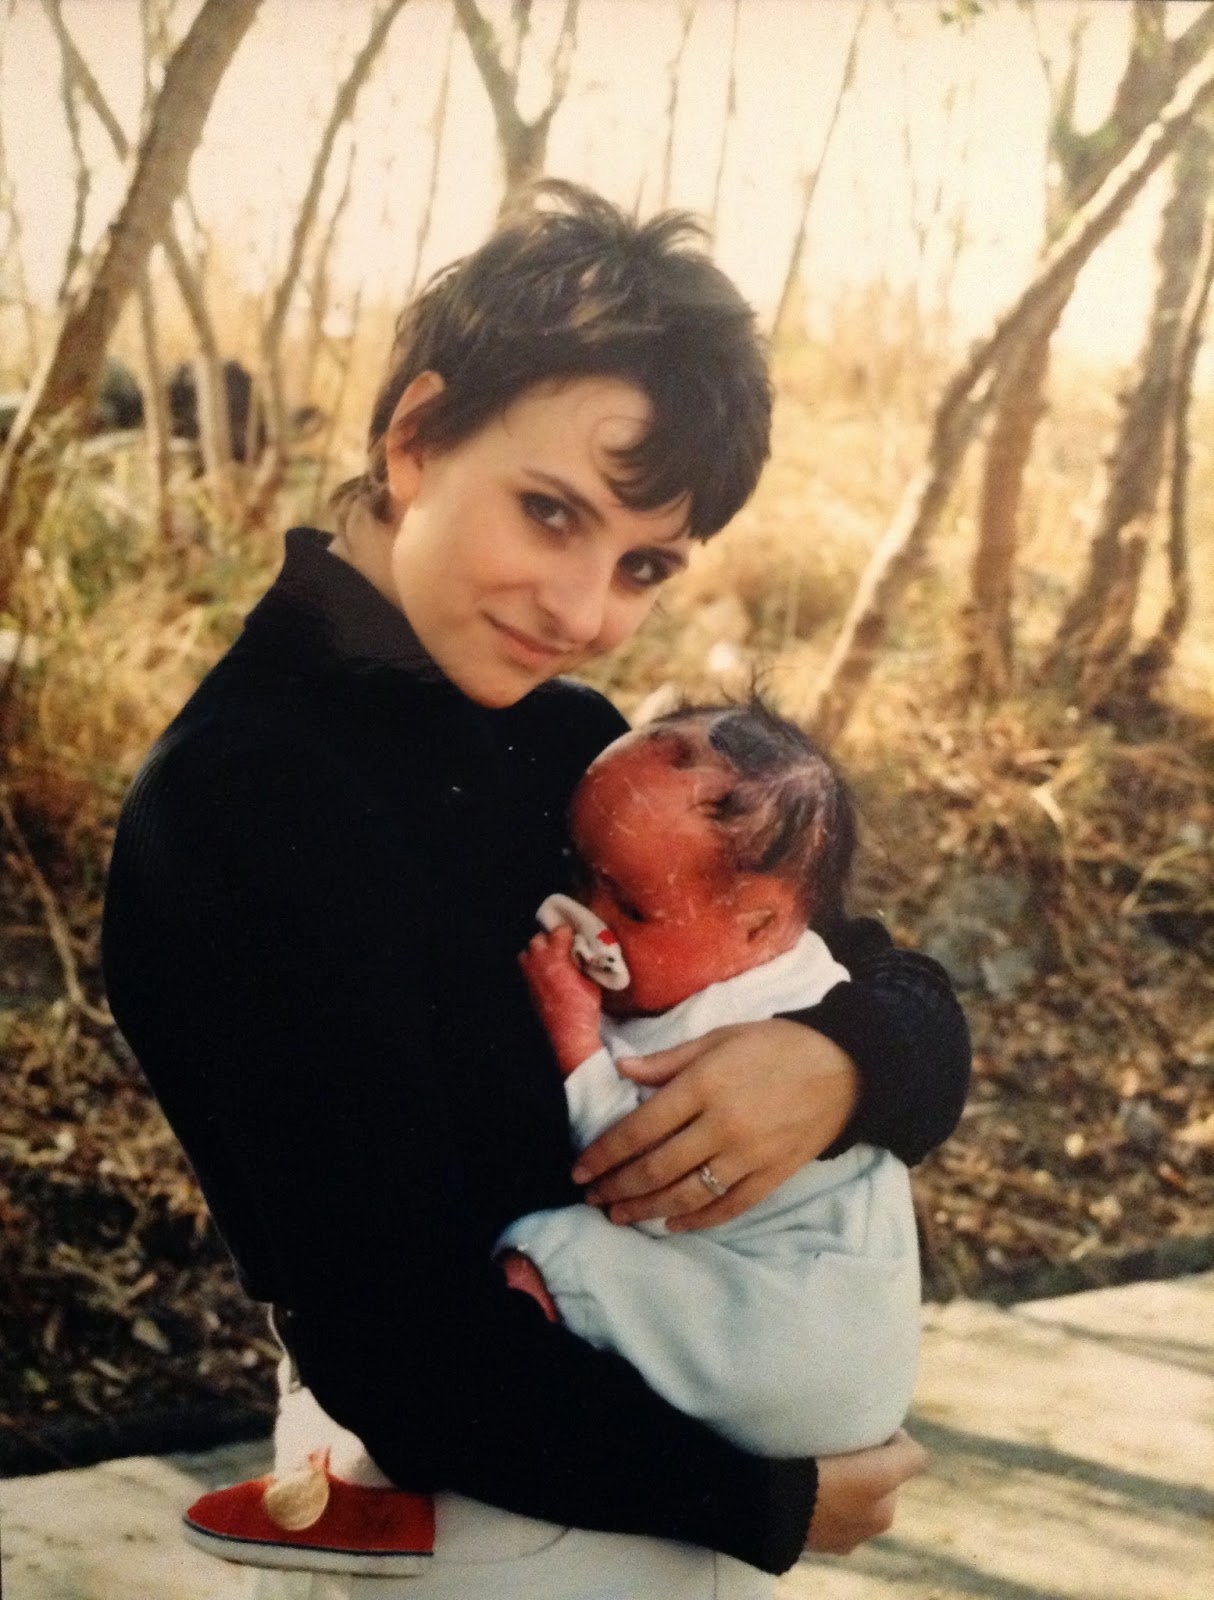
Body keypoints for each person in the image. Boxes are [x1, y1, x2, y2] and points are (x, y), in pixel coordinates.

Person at [102, 183, 968, 1599]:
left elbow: (889, 991)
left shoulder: (563, 736)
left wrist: (838, 1059)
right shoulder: (238, 802)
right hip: (451, 1529)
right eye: (549, 512)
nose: (583, 611)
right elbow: (399, 1350)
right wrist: (768, 1498)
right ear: (414, 436)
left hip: (637, 1518)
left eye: (642, 563)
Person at [184, 700, 922, 1576]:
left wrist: (578, 1040)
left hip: (781, 1343)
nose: (587, 919)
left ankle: (387, 1492)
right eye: (579, 869)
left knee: (545, 1255)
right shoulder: (721, 928)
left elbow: (649, 1170)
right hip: (737, 1382)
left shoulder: (753, 1010)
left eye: (633, 908)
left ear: (762, 927)